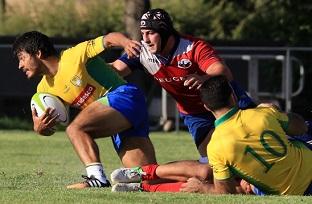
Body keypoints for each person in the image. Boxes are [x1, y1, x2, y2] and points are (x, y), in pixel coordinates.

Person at [109, 76, 312, 195]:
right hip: (299, 184)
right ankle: (143, 187)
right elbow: (301, 127)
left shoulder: (215, 145)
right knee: (230, 185)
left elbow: (225, 193)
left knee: (207, 173)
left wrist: (205, 187)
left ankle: (144, 175)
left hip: (274, 180)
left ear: (206, 107)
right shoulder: (263, 114)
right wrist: (276, 111)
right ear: (233, 96)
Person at [106, 8, 256, 163]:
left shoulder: (193, 47)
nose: (146, 39)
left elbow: (223, 72)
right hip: (194, 113)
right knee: (212, 160)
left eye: (150, 33)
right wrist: (90, 63)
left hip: (227, 103)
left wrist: (204, 78)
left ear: (165, 32)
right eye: (143, 33)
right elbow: (114, 71)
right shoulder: (142, 52)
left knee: (255, 147)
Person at [12, 31, 157, 189]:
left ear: (38, 53)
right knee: (146, 177)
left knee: (75, 129)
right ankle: (184, 179)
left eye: (22, 58)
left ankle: (97, 178)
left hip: (125, 96)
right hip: (119, 115)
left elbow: (108, 39)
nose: (20, 65)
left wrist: (126, 43)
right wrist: (40, 129)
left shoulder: (73, 55)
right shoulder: (44, 89)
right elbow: (51, 128)